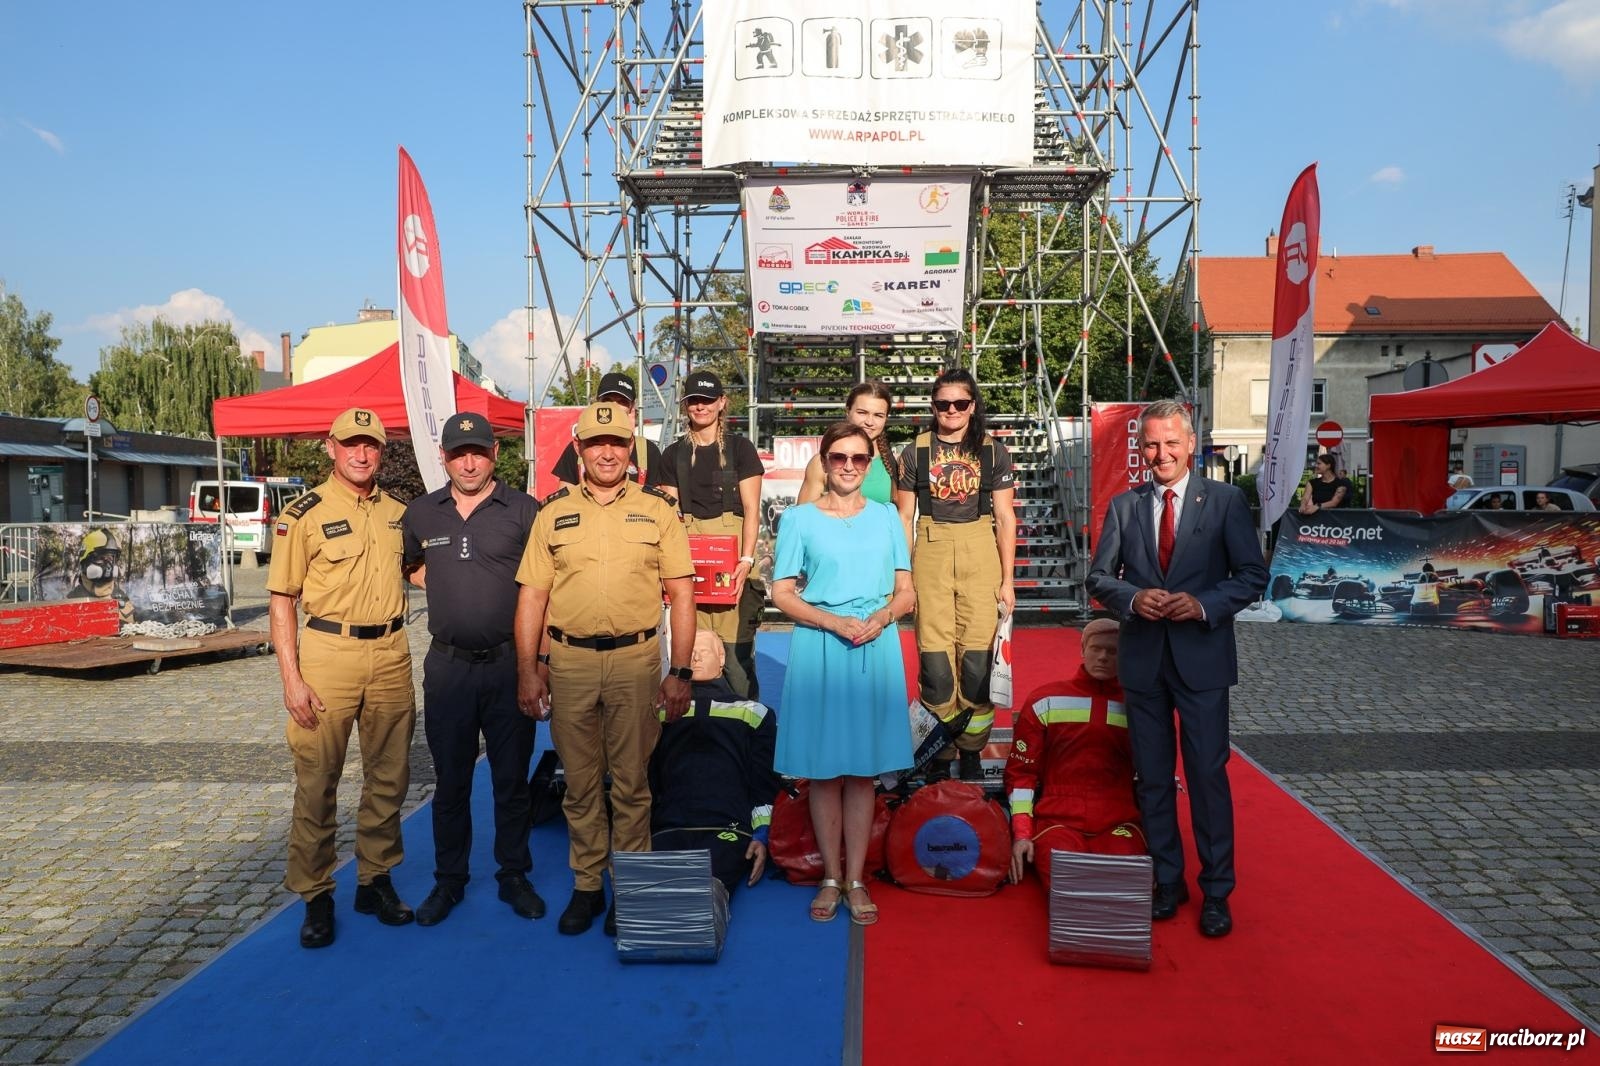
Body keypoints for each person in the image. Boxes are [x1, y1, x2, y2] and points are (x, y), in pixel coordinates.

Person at [1085, 399, 1267, 939]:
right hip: (1143, 664)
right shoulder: (1124, 506)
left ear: (1191, 444)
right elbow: (1099, 577)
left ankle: (1217, 891)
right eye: (1151, 444)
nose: (1161, 453)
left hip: (1203, 660)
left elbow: (1252, 574)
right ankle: (1167, 880)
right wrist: (1134, 599)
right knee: (1154, 780)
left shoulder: (1227, 501)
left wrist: (1204, 604)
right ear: (1142, 450)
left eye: (1171, 443)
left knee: (1208, 778)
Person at [514, 400, 697, 937]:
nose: (607, 452)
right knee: (581, 783)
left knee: (633, 783)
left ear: (631, 449)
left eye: (617, 442)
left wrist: (680, 671)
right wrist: (529, 669)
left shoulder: (658, 512)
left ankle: (632, 889)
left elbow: (682, 595)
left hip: (637, 664)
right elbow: (532, 597)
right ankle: (588, 886)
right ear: (579, 451)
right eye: (597, 443)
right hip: (568, 664)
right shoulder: (551, 514)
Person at [266, 408, 416, 949]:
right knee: (318, 779)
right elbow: (281, 599)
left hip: (393, 652)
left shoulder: (400, 513)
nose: (361, 454)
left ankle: (374, 879)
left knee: (389, 777)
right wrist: (291, 677)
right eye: (351, 444)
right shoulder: (301, 515)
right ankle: (316, 894)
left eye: (371, 445)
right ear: (331, 447)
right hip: (329, 654)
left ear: (381, 451)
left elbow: (425, 571)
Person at [401, 412, 544, 927]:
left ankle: (514, 874)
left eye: (478, 452)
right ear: (443, 456)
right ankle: (449, 881)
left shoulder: (526, 510)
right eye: (458, 453)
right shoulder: (421, 513)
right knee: (451, 783)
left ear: (494, 456)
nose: (468, 462)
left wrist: (538, 666)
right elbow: (411, 565)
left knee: (512, 781)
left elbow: (542, 590)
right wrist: (449, 588)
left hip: (510, 665)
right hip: (448, 669)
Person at [771, 421, 916, 926]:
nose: (849, 466)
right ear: (824, 462)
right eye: (839, 458)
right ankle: (830, 876)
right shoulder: (799, 520)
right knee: (823, 770)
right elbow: (782, 592)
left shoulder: (887, 518)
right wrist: (832, 620)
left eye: (858, 458)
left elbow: (907, 590)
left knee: (862, 770)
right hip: (820, 643)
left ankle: (856, 878)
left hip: (875, 645)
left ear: (872, 462)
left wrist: (881, 618)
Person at [895, 367, 1016, 780]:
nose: (952, 410)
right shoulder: (915, 451)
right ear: (933, 406)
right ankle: (939, 750)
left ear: (973, 406)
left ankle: (970, 751)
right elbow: (903, 516)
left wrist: (1008, 580)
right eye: (943, 403)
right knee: (935, 660)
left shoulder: (993, 451)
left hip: (981, 549)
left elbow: (1005, 515)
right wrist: (902, 576)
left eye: (960, 403)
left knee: (978, 662)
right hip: (929, 549)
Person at [1005, 619, 1144, 889]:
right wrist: (1022, 834)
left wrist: (1163, 852)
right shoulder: (1043, 699)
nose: (1102, 657)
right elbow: (1021, 775)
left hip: (1120, 820)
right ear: (1083, 650)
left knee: (1125, 883)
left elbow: (1156, 776)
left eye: (1113, 651)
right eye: (1095, 648)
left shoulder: (1140, 706)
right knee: (1066, 879)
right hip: (1057, 821)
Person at [648, 629, 781, 899]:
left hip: (728, 828)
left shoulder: (754, 713)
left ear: (722, 659)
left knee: (701, 895)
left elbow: (763, 784)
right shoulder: (655, 713)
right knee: (648, 897)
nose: (694, 657)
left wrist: (762, 835)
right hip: (668, 826)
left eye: (704, 650)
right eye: (688, 651)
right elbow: (645, 779)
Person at [658, 370, 766, 700]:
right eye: (693, 401)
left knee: (735, 662)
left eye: (707, 400)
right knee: (692, 659)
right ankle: (692, 738)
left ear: (722, 403)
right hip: (690, 566)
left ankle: (746, 736)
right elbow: (669, 520)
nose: (700, 407)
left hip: (735, 566)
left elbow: (752, 511)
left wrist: (746, 561)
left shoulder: (741, 449)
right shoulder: (671, 455)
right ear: (685, 406)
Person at [797, 380, 902, 513]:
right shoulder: (822, 462)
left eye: (878, 415)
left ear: (886, 418)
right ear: (848, 411)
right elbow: (802, 519)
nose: (869, 421)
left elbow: (902, 519)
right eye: (862, 412)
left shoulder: (894, 464)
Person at [548, 371, 664, 489]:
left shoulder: (648, 451)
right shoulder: (578, 446)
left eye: (622, 401)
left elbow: (658, 501)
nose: (613, 406)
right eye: (608, 400)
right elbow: (565, 500)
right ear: (598, 402)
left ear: (631, 406)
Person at [68, 528, 135, 627]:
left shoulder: (122, 599)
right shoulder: (72, 601)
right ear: (85, 561)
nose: (108, 566)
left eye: (111, 558)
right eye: (101, 558)